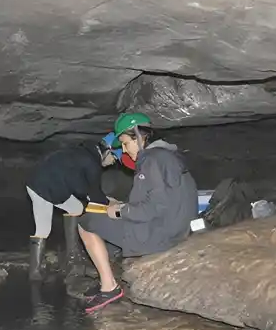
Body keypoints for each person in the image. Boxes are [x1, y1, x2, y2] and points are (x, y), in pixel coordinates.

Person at [77, 117, 198, 313]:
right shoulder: (168, 156)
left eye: (125, 143)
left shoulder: (151, 160)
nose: (124, 150)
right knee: (105, 219)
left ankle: (109, 288)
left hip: (159, 235)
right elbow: (162, 199)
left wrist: (118, 210)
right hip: (177, 229)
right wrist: (124, 205)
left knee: (85, 221)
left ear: (140, 137)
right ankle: (109, 272)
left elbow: (153, 208)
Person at [24, 132, 124, 281]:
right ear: (107, 151)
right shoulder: (92, 164)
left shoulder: (82, 152)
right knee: (46, 226)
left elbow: (83, 187)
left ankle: (58, 263)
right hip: (47, 189)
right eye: (114, 158)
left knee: (73, 210)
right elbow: (93, 196)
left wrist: (104, 199)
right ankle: (63, 262)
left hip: (34, 182)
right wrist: (110, 205)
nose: (112, 163)